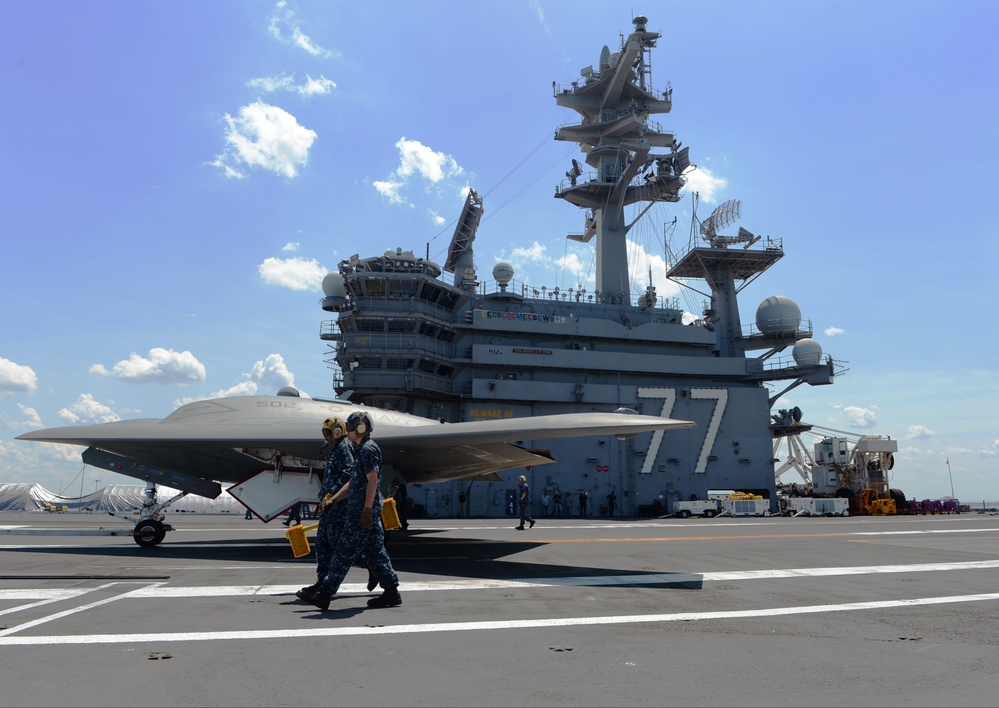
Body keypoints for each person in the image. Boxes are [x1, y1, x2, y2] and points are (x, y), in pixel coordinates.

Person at [304, 411, 402, 611]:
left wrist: (366, 509)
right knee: (375, 552)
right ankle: (392, 592)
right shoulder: (360, 449)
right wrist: (334, 499)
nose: (347, 430)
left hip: (362, 512)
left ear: (360, 428)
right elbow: (353, 482)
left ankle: (325, 594)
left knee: (344, 551)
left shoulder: (368, 449)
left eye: (350, 426)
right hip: (363, 510)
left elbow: (372, 480)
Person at [297, 418, 377, 602]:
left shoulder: (343, 449)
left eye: (327, 432)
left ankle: (373, 566)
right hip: (329, 506)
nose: (325, 436)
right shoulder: (335, 449)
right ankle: (321, 582)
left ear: (336, 432)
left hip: (338, 508)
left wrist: (332, 495)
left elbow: (349, 475)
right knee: (323, 545)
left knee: (340, 547)